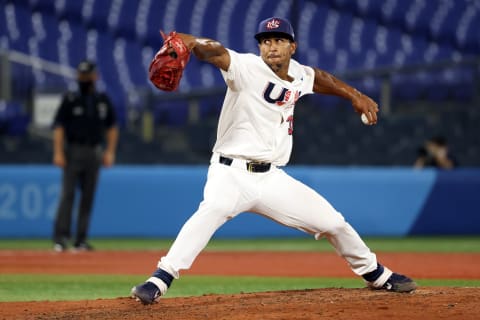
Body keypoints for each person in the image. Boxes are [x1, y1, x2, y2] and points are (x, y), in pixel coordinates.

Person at [131, 17, 416, 304]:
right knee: (212, 210)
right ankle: (160, 278)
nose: (272, 46)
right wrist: (191, 43)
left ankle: (377, 275)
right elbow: (215, 51)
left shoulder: (299, 73)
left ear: (292, 46)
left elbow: (320, 78)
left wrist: (354, 95)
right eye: (266, 41)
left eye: (279, 40)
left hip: (271, 178)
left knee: (333, 223)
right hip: (231, 172)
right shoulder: (245, 67)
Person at [52, 60, 118, 252]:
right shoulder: (70, 98)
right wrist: (58, 152)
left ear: (95, 76)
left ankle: (80, 239)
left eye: (87, 75)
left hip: (94, 151)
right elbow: (59, 126)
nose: (84, 79)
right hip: (72, 151)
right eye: (82, 75)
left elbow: (112, 127)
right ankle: (60, 238)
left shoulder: (102, 100)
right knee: (68, 195)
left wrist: (110, 151)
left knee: (87, 197)